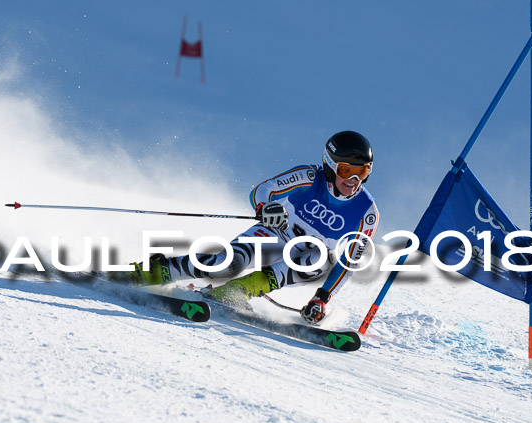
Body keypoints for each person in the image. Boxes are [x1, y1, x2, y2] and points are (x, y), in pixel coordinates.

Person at [117, 130, 379, 324]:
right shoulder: (310, 177)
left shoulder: (366, 214)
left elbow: (347, 264)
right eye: (347, 171)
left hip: (309, 257)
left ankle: (235, 292)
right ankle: (157, 271)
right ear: (331, 165)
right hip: (278, 234)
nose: (354, 180)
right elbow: (263, 189)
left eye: (363, 172)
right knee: (227, 263)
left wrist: (321, 298)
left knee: (316, 259)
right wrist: (264, 209)